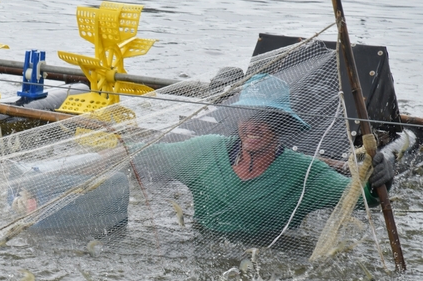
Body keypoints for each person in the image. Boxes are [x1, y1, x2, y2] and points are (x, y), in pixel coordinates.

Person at [130, 73, 395, 243]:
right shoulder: (205, 151)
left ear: (282, 125)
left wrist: (382, 176)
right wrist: (115, 145)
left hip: (268, 259)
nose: (253, 126)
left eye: (266, 118)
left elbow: (361, 198)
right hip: (201, 248)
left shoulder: (305, 175)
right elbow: (146, 156)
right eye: (248, 116)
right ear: (237, 119)